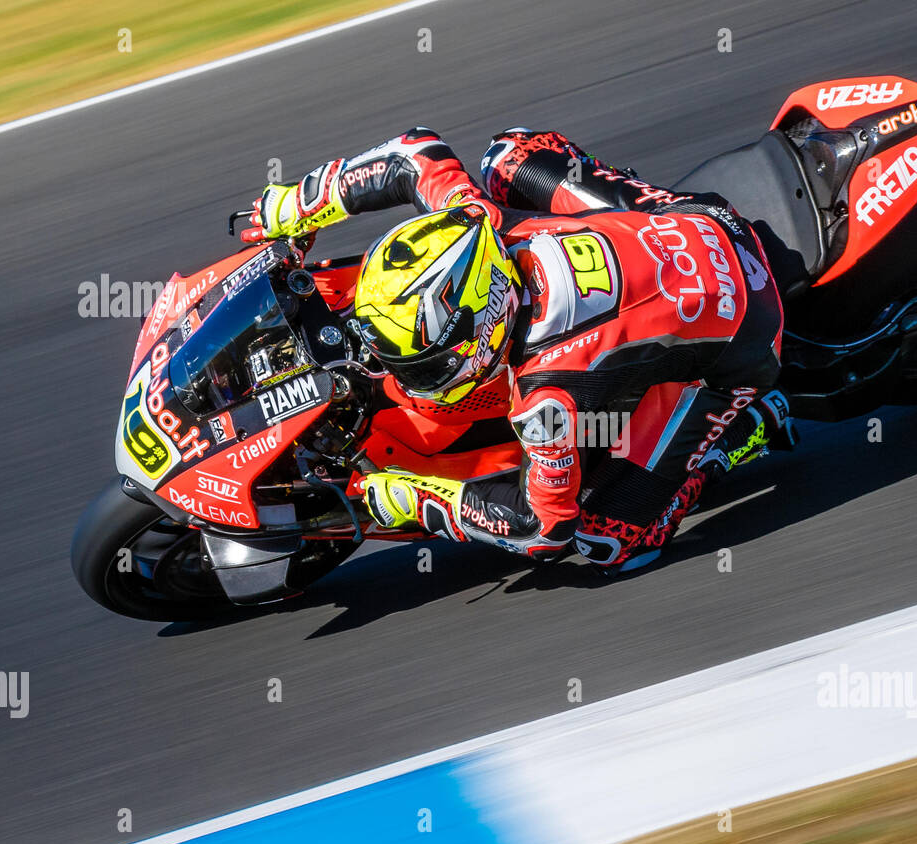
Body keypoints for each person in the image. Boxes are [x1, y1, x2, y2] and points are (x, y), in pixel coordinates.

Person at [241, 127, 796, 570]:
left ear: (483, 325)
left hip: (748, 329)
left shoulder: (545, 397)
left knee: (608, 537)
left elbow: (543, 528)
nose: (409, 377)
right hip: (694, 218)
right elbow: (413, 154)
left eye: (425, 363)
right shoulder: (474, 222)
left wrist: (421, 501)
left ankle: (745, 430)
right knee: (510, 154)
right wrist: (294, 206)